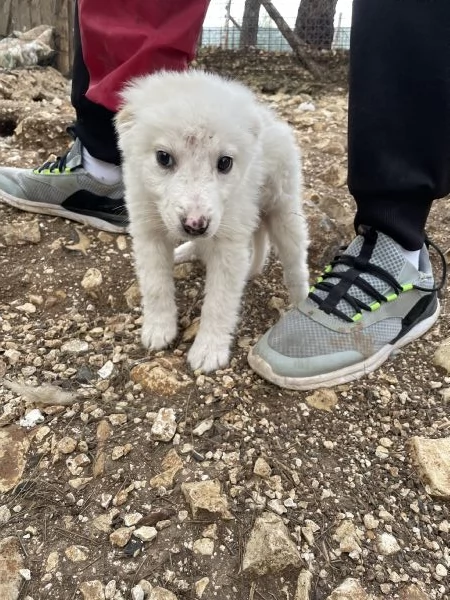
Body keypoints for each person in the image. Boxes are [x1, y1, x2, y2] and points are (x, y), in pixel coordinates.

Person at [0, 0, 447, 390]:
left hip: (273, 164)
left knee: (277, 225)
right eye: (164, 159)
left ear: (244, 147)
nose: (196, 207)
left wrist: (214, 332)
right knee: (165, 229)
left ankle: (323, 277)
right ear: (128, 131)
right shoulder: (141, 124)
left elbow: (232, 242)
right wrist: (159, 312)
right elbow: (149, 239)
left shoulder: (252, 134)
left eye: (224, 164)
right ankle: (97, 165)